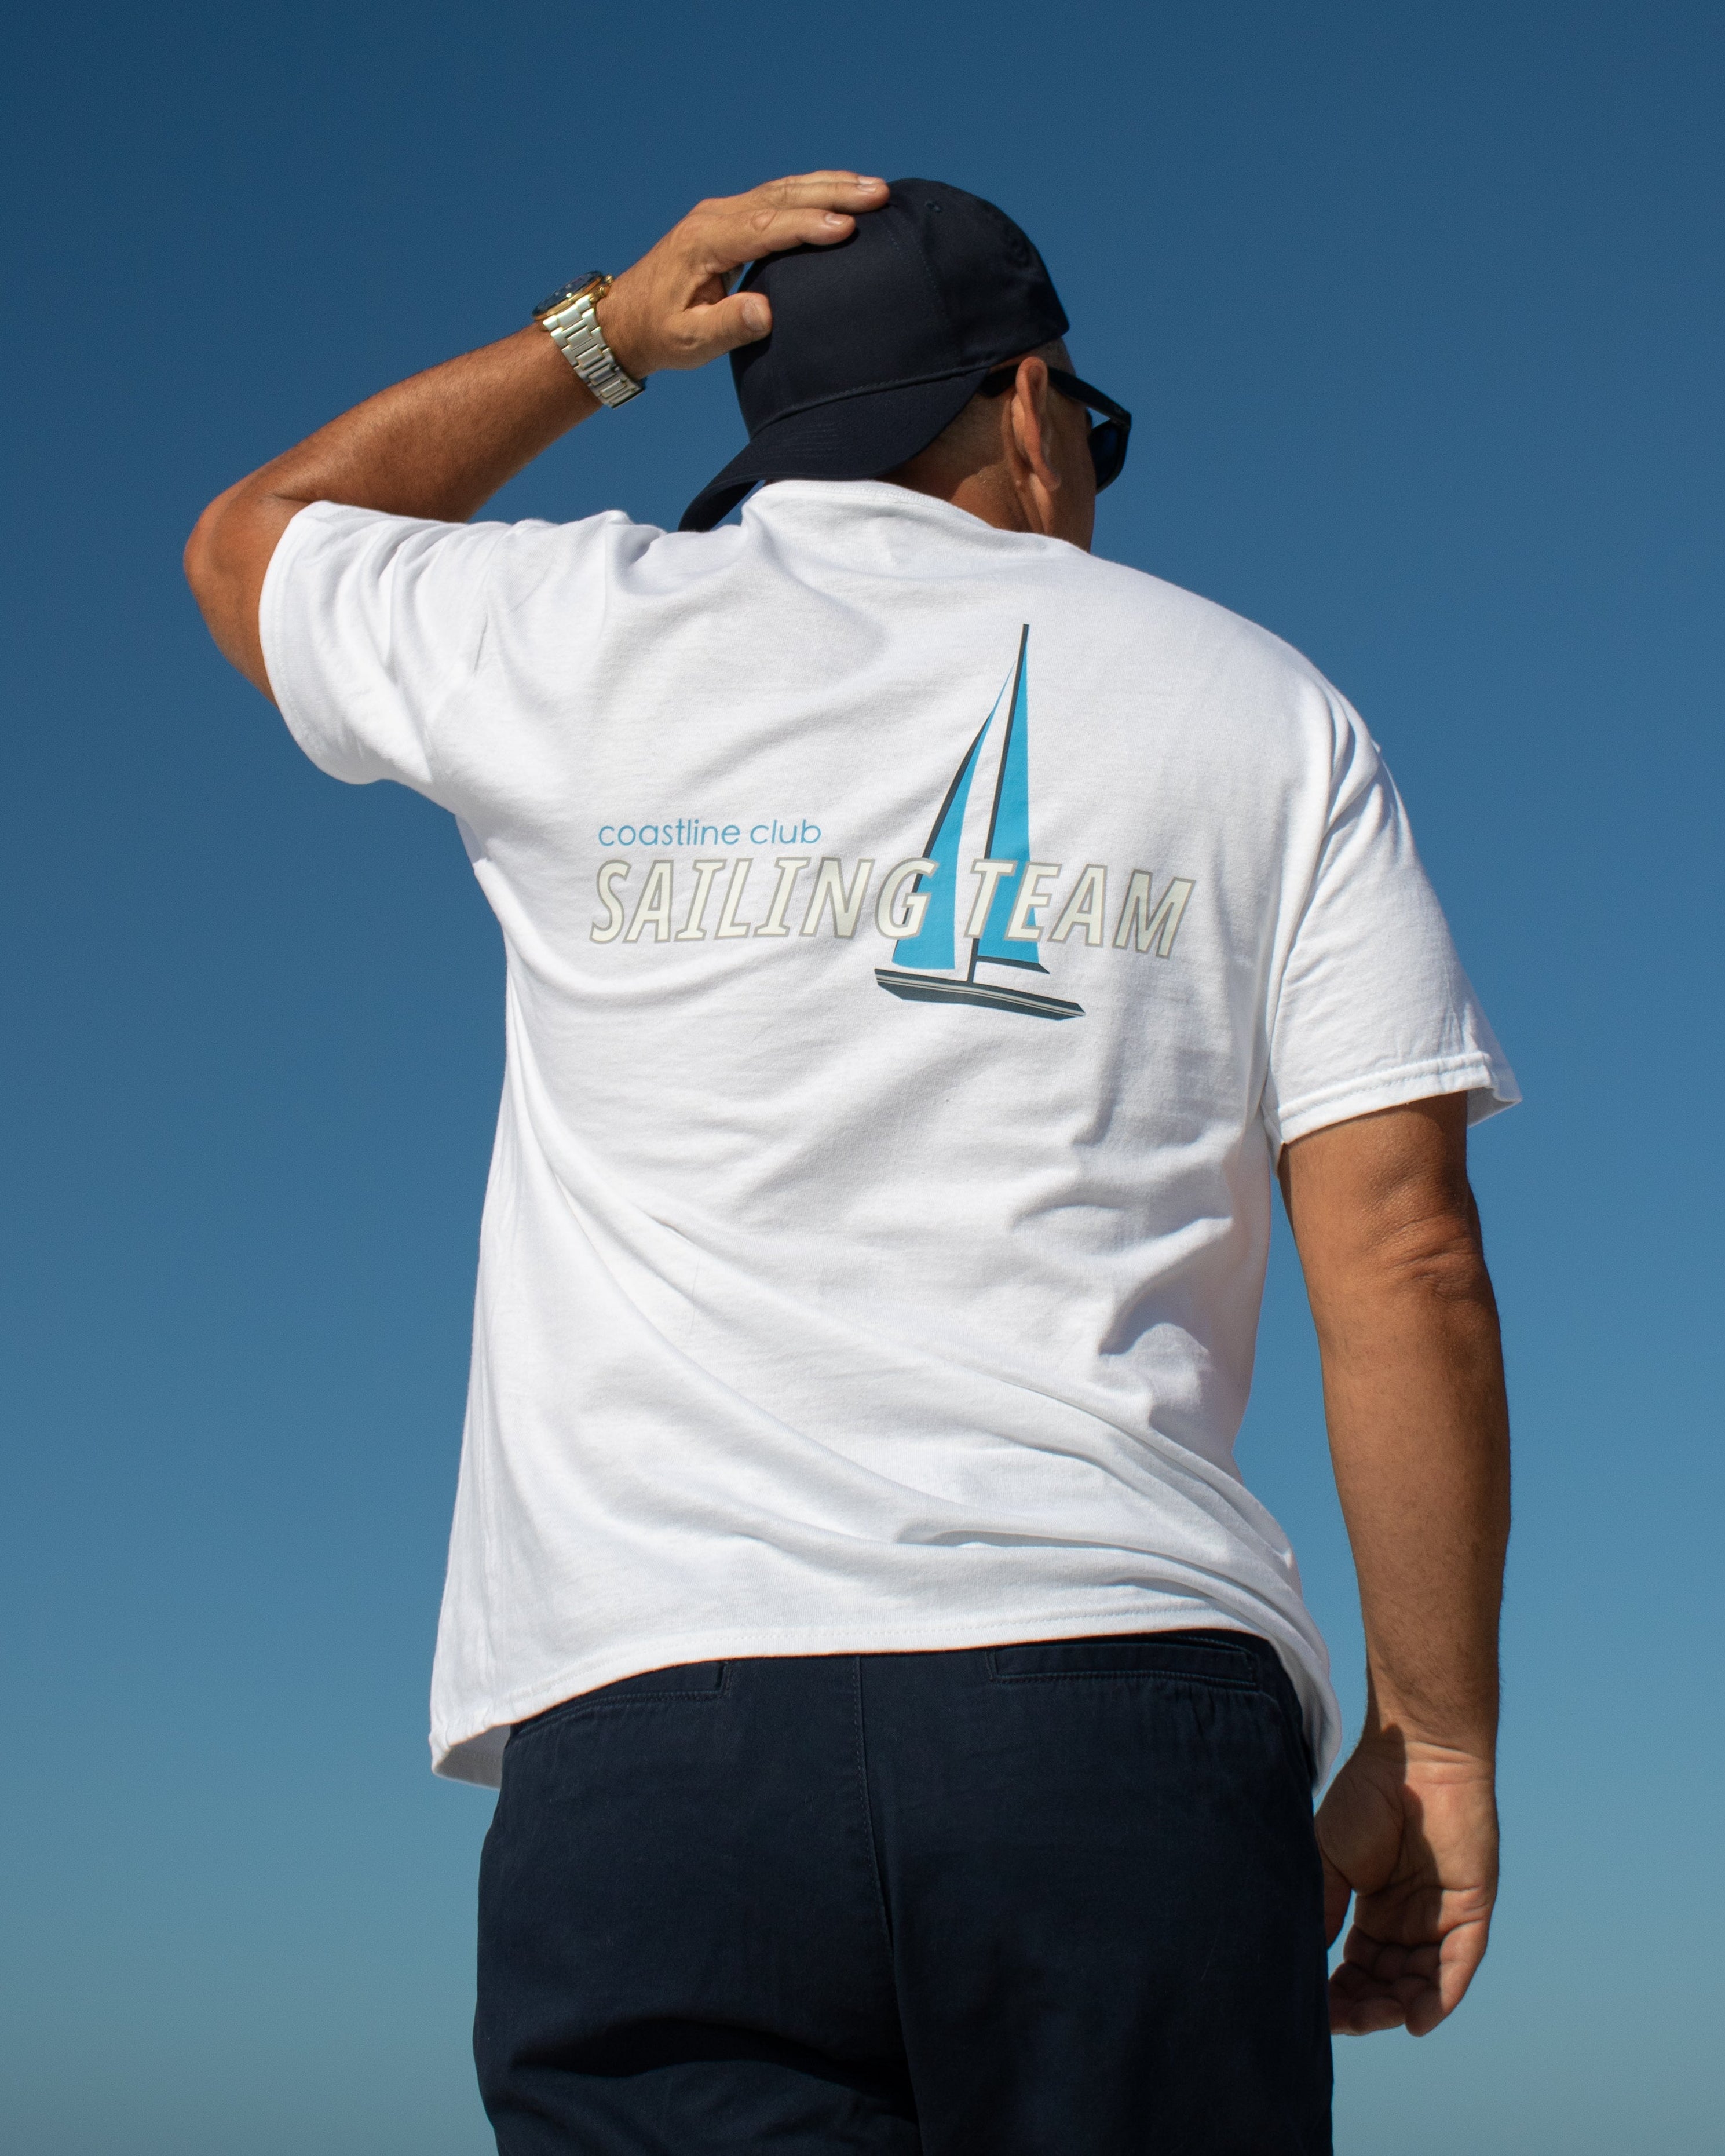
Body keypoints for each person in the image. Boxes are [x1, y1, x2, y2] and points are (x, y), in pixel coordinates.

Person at [185, 171, 1516, 2154]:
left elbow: (252, 544)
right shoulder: (1264, 710)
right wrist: (1435, 1740)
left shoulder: (576, 628)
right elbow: (1400, 1255)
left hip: (657, 1717)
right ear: (1033, 398)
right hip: (1117, 1714)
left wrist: (603, 340)